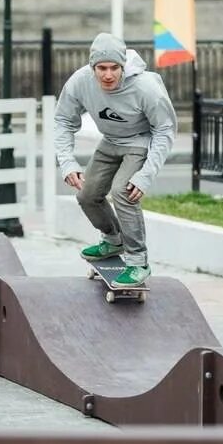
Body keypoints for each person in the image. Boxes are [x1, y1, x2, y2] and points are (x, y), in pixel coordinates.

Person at [54, 32, 177, 287]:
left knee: (123, 191)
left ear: (123, 66)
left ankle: (138, 261)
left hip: (140, 142)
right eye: (101, 68)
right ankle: (113, 240)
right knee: (87, 196)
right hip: (109, 142)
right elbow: (64, 120)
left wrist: (145, 175)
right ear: (92, 67)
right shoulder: (80, 81)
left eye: (114, 68)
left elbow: (165, 129)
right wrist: (67, 162)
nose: (108, 75)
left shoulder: (146, 87)